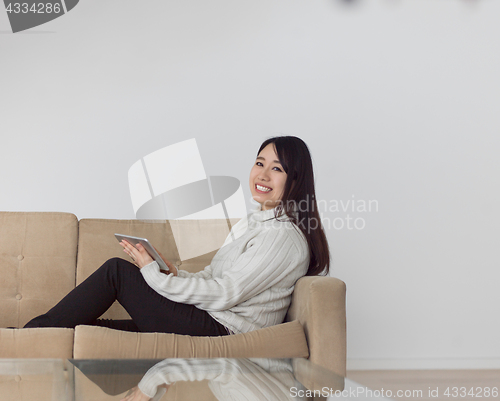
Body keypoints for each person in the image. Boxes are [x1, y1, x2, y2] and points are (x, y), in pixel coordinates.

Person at [24, 136, 330, 337]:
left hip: (221, 329)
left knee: (117, 272)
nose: (262, 175)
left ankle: (24, 337)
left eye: (276, 169)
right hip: (207, 318)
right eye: (259, 163)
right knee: (97, 328)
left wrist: (151, 276)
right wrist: (174, 273)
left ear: (296, 179)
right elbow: (214, 275)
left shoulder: (283, 237)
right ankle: (30, 335)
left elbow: (225, 293)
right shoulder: (254, 223)